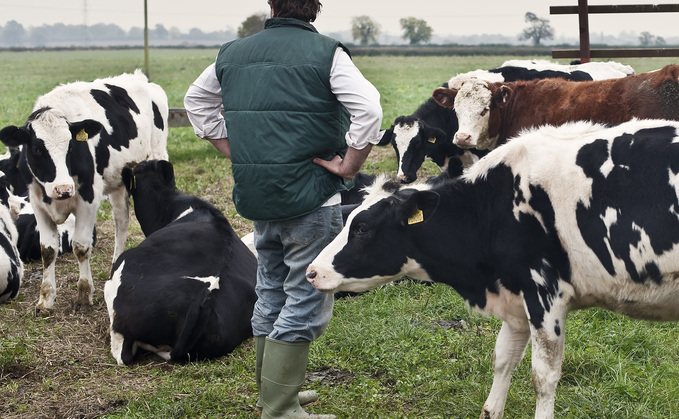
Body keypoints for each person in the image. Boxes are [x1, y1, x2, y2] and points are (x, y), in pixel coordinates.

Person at [184, 1, 383, 417]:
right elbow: (369, 108)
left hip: (259, 198)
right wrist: (349, 165)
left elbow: (196, 102)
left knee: (271, 290)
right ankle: (279, 408)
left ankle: (274, 394)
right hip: (312, 198)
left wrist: (235, 150)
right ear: (314, 9)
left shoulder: (232, 53)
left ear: (272, 5)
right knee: (306, 296)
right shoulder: (327, 53)